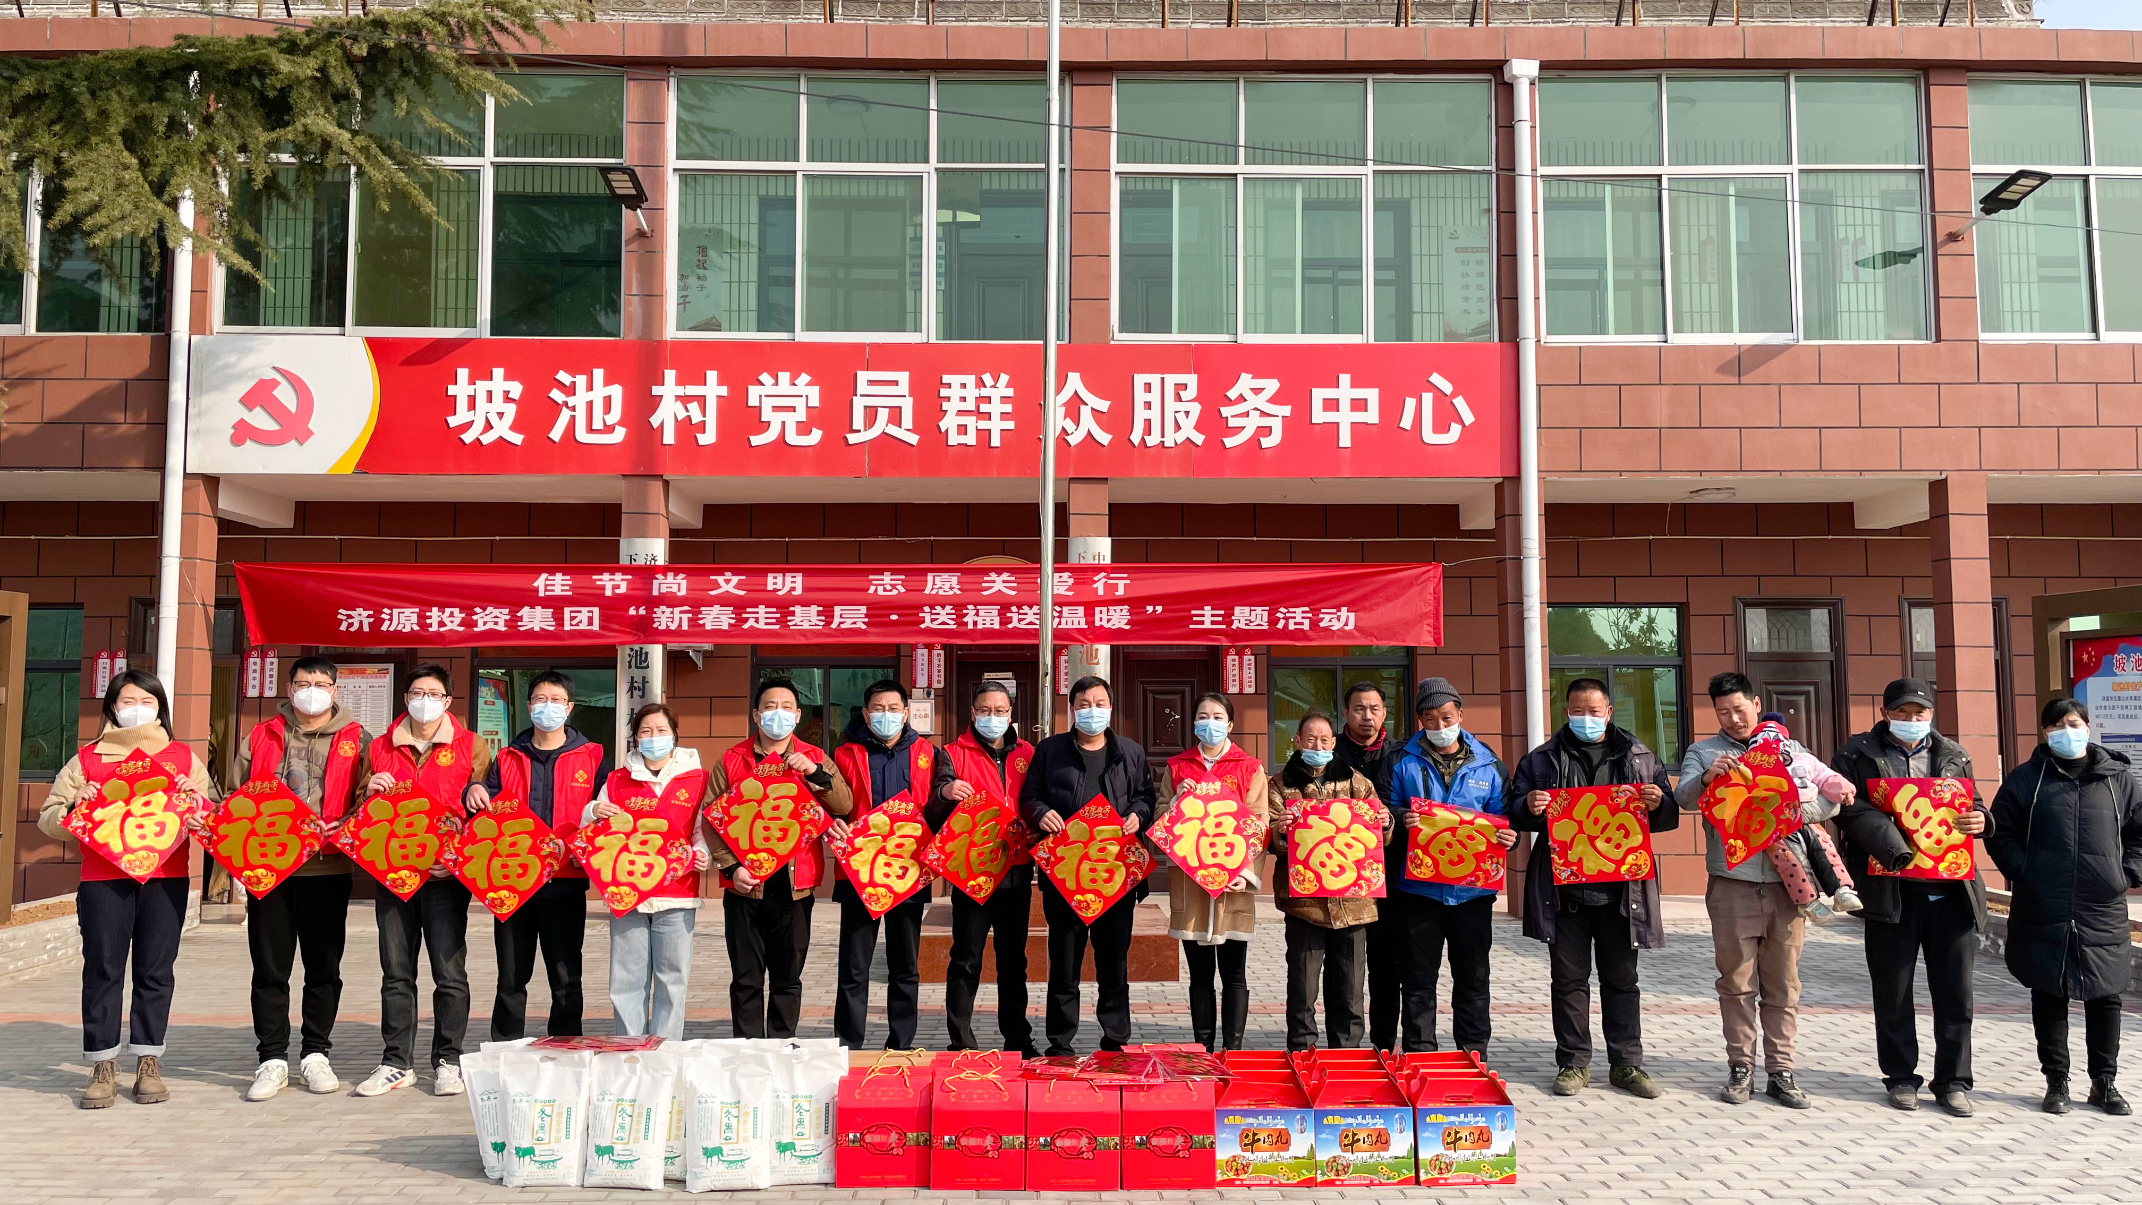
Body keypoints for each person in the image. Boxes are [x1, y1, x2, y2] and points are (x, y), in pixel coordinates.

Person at [1676, 672, 1853, 1109]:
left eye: (1739, 709)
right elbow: (1683, 798)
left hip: (1787, 888)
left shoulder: (1789, 749)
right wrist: (1708, 778)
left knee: (1784, 984)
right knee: (1736, 982)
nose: (1733, 719)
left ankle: (1782, 1071)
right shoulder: (1704, 753)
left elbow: (1826, 797)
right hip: (1732, 883)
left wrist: (1788, 810)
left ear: (1756, 704)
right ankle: (1741, 1068)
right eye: (1723, 712)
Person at [40, 671, 216, 1109]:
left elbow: (214, 819)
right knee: (103, 970)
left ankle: (148, 1062)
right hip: (103, 880)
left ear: (160, 708)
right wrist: (76, 804)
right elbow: (48, 818)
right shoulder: (87, 760)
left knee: (156, 971)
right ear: (112, 707)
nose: (137, 709)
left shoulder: (181, 758)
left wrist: (196, 801)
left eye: (146, 701)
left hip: (166, 880)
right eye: (127, 701)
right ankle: (102, 1064)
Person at [1507, 677, 1679, 1099]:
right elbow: (1514, 809)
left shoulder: (1639, 756)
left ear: (1609, 712)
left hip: (1622, 892)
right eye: (1577, 711)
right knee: (1568, 980)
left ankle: (1626, 1064)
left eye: (1594, 711)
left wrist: (1659, 803)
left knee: (1622, 980)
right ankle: (1573, 1062)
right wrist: (1528, 807)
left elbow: (1668, 814)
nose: (1586, 718)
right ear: (1566, 712)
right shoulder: (1542, 759)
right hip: (1564, 892)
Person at [1832, 676, 1989, 1116]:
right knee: (1894, 992)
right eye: (1902, 712)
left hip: (1951, 892)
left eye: (1919, 712)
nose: (1911, 719)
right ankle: (1901, 1077)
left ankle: (1953, 1081)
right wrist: (1892, 840)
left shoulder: (1953, 754)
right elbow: (1846, 809)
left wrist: (1982, 820)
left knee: (1956, 994)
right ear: (1885, 713)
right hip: (1892, 891)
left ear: (1930, 715)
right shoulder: (1857, 754)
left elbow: (1973, 803)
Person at [1987, 697, 2141, 1116]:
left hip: (2101, 905)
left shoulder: (2118, 779)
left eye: (2073, 723)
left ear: (2087, 727)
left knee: (2105, 993)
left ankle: (2104, 1082)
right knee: (2049, 991)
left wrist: (2126, 874)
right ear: (2045, 732)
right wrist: (2024, 872)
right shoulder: (2026, 779)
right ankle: (2057, 1081)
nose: (2066, 732)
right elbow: (2001, 833)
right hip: (2043, 902)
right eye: (2057, 726)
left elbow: (2139, 832)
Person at [234, 656, 373, 1102]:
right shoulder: (262, 735)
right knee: (269, 969)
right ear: (289, 688)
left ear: (334, 690)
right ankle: (271, 1059)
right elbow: (235, 796)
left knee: (323, 968)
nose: (311, 690)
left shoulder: (359, 739)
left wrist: (349, 822)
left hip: (327, 869)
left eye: (320, 683)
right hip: (269, 870)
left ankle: (316, 1054)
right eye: (302, 682)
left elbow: (369, 805)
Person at [354, 663, 491, 1099]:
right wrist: (368, 791)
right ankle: (396, 1062)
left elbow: (485, 814)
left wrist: (458, 860)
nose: (424, 701)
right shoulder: (379, 747)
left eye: (433, 694)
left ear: (448, 700)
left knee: (449, 973)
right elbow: (358, 808)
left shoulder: (472, 746)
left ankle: (449, 1060)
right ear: (405, 698)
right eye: (417, 693)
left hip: (444, 877)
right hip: (393, 875)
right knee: (396, 972)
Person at [705, 679, 852, 1039]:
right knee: (746, 978)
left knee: (788, 978)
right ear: (756, 715)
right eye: (770, 707)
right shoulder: (732, 759)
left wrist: (813, 772)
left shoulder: (815, 757)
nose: (778, 714)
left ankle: (782, 1047)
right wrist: (730, 867)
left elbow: (844, 803)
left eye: (786, 707)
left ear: (798, 715)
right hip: (745, 887)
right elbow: (711, 818)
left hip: (795, 885)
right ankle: (748, 1049)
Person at [467, 670, 608, 1043]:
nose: (548, 707)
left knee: (566, 975)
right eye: (541, 700)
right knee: (511, 976)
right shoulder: (507, 757)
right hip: (513, 882)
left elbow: (606, 816)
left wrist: (587, 851)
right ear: (529, 706)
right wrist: (474, 792)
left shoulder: (593, 757)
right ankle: (506, 1047)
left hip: (566, 883)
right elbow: (486, 810)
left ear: (569, 707)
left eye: (556, 700)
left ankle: (566, 1044)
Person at [1018, 675, 1155, 1055]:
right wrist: (1040, 813)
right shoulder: (1050, 751)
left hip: (1115, 873)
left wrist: (1138, 815)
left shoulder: (1130, 752)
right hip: (1065, 875)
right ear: (1072, 709)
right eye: (1084, 704)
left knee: (1114, 962)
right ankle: (1060, 1042)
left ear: (1110, 709)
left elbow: (1146, 795)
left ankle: (1115, 1040)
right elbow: (1029, 796)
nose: (1091, 711)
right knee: (1065, 963)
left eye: (1099, 704)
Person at [1384, 678, 1513, 1055]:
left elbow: (1504, 815)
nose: (1440, 726)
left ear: (1460, 715)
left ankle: (1473, 1053)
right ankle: (1420, 1054)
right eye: (1430, 718)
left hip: (1472, 895)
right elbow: (1383, 807)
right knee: (1418, 981)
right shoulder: (1401, 760)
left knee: (1473, 979)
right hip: (1417, 891)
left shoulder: (1488, 763)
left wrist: (1510, 835)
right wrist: (1400, 817)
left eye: (1446, 717)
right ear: (1420, 720)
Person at [585, 703, 711, 1041]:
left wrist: (702, 852)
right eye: (645, 731)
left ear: (674, 735)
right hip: (628, 894)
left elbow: (703, 828)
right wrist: (593, 810)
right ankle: (630, 1049)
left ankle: (665, 1053)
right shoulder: (616, 780)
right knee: (627, 980)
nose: (654, 737)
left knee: (672, 980)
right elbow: (595, 828)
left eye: (661, 730)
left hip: (677, 893)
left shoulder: (697, 778)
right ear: (635, 738)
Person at [930, 680, 1039, 1056]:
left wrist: (1037, 828)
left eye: (1000, 711)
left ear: (1011, 714)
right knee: (966, 957)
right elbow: (933, 807)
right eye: (985, 711)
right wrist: (945, 793)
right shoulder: (952, 753)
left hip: (1017, 869)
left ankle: (1018, 1039)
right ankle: (961, 1040)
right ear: (973, 713)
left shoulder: (1028, 753)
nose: (992, 717)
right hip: (971, 872)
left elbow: (1037, 801)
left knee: (1014, 961)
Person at [1155, 694, 1266, 1054]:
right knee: (1200, 975)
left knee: (1234, 973)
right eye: (1203, 716)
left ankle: (1233, 1050)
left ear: (1230, 725)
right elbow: (1159, 818)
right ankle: (1203, 1050)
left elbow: (1259, 824)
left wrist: (1245, 873)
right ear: (1193, 723)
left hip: (1234, 883)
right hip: (1191, 882)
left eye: (1218, 717)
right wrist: (1176, 801)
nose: (1210, 723)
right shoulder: (1177, 767)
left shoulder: (1249, 767)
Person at [830, 680, 937, 1050]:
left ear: (906, 713)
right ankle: (848, 1043)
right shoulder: (845, 754)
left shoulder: (927, 753)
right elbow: (832, 803)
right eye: (878, 709)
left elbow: (937, 806)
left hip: (907, 871)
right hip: (859, 873)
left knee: (904, 965)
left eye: (893, 709)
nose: (885, 715)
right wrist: (833, 823)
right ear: (865, 713)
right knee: (854, 966)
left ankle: (901, 1043)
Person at [1272, 711, 1381, 1051]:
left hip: (1354, 904)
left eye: (1324, 740)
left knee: (1350, 988)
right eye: (1310, 739)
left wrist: (1386, 822)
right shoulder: (1281, 785)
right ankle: (1302, 1051)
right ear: (1297, 741)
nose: (1317, 746)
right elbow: (1269, 836)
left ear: (1333, 743)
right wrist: (1280, 830)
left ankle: (1345, 1053)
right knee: (1302, 986)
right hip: (1304, 905)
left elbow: (1379, 834)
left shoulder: (1356, 782)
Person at [1331, 683, 1404, 1050]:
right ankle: (1345, 1045)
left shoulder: (1400, 755)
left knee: (1387, 966)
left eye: (1374, 709)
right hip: (1340, 879)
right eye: (1359, 709)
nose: (1367, 716)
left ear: (1384, 713)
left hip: (1389, 879)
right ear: (1346, 713)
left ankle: (1384, 1043)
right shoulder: (1330, 753)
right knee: (1345, 967)